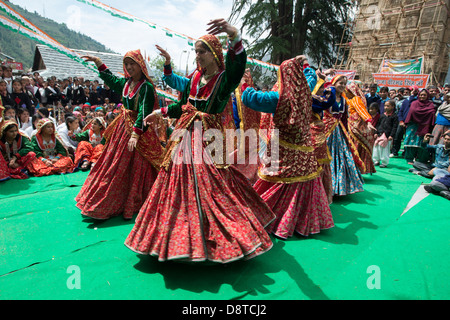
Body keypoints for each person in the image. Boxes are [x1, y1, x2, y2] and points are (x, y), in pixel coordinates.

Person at [125, 19, 275, 263]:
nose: (197, 56)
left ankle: (222, 237)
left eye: (202, 51)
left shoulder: (225, 79)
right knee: (176, 184)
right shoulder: (195, 78)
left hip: (208, 140)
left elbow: (238, 67)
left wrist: (235, 36)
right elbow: (185, 106)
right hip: (184, 136)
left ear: (215, 53)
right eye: (195, 51)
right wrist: (161, 113)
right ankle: (178, 239)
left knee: (214, 184)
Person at [241, 55, 334, 238]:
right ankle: (302, 224)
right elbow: (310, 78)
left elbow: (250, 99)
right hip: (305, 152)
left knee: (274, 186)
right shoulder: (305, 92)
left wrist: (245, 84)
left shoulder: (277, 98)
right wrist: (305, 66)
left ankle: (268, 217)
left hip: (283, 151)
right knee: (303, 186)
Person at [75, 49, 165, 220]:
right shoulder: (126, 82)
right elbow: (111, 79)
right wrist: (98, 62)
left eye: (133, 64)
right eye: (127, 64)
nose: (129, 67)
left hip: (138, 131)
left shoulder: (146, 87)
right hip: (122, 128)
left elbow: (144, 112)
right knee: (113, 164)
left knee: (135, 165)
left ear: (141, 65)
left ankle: (137, 200)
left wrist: (136, 134)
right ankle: (105, 202)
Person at [323, 75, 365, 196]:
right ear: (334, 83)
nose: (342, 85)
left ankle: (339, 187)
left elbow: (345, 119)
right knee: (327, 158)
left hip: (339, 132)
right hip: (326, 131)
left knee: (341, 158)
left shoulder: (344, 100)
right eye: (340, 83)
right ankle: (326, 186)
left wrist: (346, 134)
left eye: (344, 83)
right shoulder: (327, 95)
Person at [345, 82, 376, 174]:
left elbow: (362, 111)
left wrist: (368, 121)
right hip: (352, 124)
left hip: (356, 125)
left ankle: (357, 169)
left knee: (355, 146)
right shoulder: (349, 99)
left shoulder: (355, 99)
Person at [403, 89, 436, 165]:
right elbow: (411, 113)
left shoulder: (430, 104)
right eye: (421, 95)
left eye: (424, 95)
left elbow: (432, 114)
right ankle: (409, 158)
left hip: (424, 126)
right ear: (418, 95)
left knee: (422, 143)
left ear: (427, 96)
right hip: (413, 125)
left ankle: (421, 159)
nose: (422, 96)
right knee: (410, 142)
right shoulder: (414, 103)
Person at [391, 85, 419, 157]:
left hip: (411, 123)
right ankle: (395, 152)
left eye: (411, 91)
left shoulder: (417, 100)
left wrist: (412, 95)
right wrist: (401, 120)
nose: (409, 93)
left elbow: (411, 104)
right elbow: (401, 111)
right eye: (407, 91)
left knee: (409, 138)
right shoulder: (405, 101)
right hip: (402, 122)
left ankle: (406, 153)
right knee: (397, 136)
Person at [372, 100, 398, 168]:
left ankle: (384, 162)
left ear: (392, 107)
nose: (386, 107)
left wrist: (391, 135)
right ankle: (376, 160)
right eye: (385, 106)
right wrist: (376, 132)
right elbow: (378, 124)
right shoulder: (382, 115)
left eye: (388, 106)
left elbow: (395, 127)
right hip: (380, 134)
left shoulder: (394, 116)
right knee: (376, 147)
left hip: (387, 135)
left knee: (385, 149)